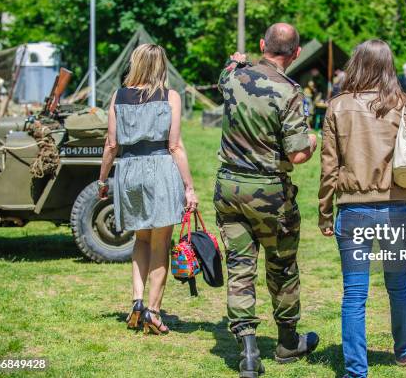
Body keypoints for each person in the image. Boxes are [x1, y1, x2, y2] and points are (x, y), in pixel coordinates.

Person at [318, 39, 406, 378]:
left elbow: (328, 167)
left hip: (353, 209)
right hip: (397, 209)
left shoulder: (338, 106)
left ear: (356, 64)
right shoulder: (404, 103)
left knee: (354, 295)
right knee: (398, 284)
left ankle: (357, 371)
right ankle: (404, 349)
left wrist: (324, 212)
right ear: (389, 67)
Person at [214, 22, 320, 377]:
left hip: (229, 188)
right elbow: (300, 155)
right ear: (296, 53)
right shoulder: (288, 91)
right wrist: (314, 143)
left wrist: (235, 61)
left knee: (240, 268)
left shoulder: (232, 77)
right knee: (282, 267)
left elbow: (224, 74)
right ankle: (288, 342)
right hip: (270, 193)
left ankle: (247, 351)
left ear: (263, 44)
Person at [98, 44, 198, 335]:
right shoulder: (171, 97)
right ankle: (153, 312)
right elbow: (175, 145)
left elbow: (111, 144)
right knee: (159, 244)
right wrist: (189, 187)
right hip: (160, 170)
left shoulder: (118, 96)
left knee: (140, 240)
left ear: (136, 63)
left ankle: (137, 301)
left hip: (128, 171)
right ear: (161, 66)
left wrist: (103, 180)